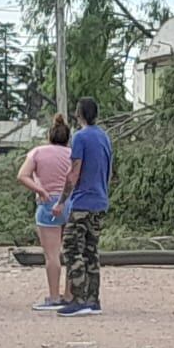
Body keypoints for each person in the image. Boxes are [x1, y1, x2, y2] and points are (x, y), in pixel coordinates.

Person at [53, 97, 112, 317]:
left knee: (71, 248)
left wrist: (62, 200)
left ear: (78, 114)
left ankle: (77, 297)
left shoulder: (80, 137)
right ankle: (93, 298)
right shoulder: (104, 137)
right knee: (91, 251)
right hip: (99, 200)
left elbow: (74, 172)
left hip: (82, 201)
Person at [17, 115, 73, 311]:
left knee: (52, 255)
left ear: (49, 136)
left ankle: (53, 295)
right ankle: (69, 294)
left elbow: (22, 175)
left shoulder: (37, 152)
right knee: (71, 252)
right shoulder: (72, 154)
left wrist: (40, 190)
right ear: (68, 138)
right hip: (70, 202)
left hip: (48, 202)